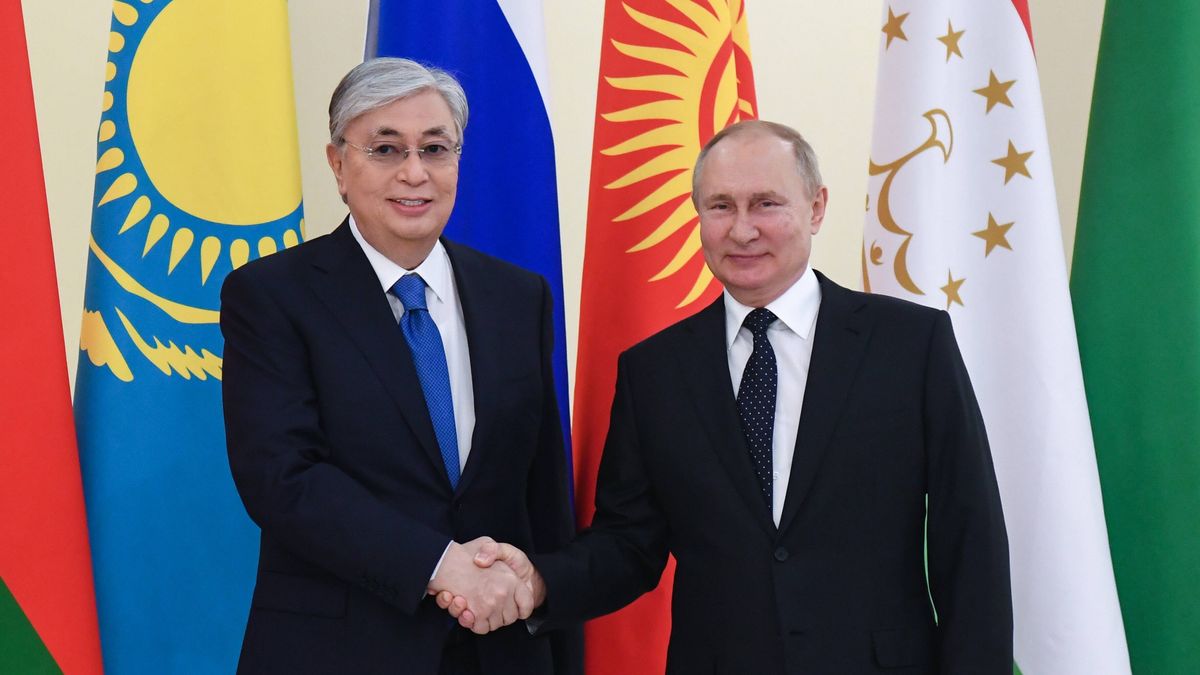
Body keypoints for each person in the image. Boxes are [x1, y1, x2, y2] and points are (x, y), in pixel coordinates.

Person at [443, 120, 1013, 673]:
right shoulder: (655, 371)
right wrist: (539, 581)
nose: (742, 230)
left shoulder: (911, 345)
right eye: (720, 207)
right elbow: (628, 545)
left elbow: (970, 539)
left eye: (767, 203)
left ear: (816, 208)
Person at [220, 57, 579, 675]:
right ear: (338, 164)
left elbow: (542, 496)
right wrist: (443, 565)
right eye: (385, 149)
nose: (415, 172)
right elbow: (283, 478)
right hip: (339, 652)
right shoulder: (272, 296)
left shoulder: (519, 298)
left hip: (502, 652)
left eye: (435, 148)